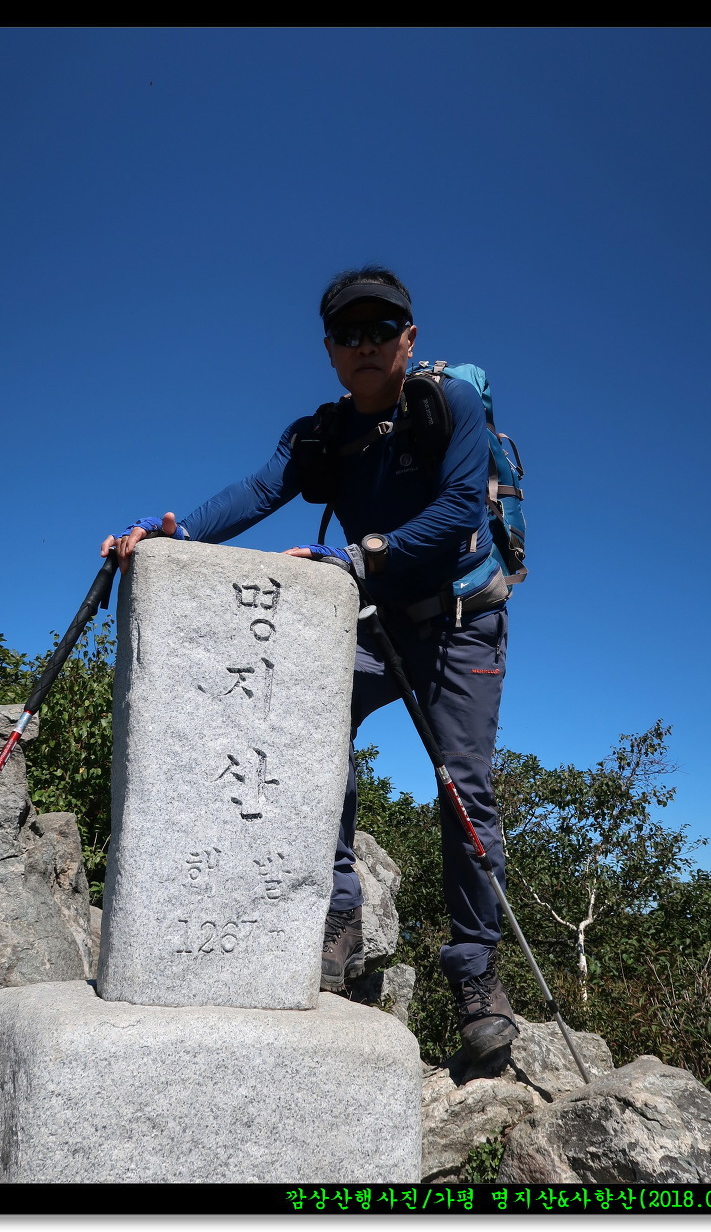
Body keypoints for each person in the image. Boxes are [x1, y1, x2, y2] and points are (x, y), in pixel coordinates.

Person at [101, 265, 519, 1064]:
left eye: (380, 328)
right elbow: (258, 491)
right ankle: (339, 912)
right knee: (306, 740)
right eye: (347, 333)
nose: (365, 344)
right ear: (328, 349)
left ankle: (475, 974)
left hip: (459, 621)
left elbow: (458, 509)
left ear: (408, 338)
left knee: (462, 785)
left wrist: (361, 556)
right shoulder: (320, 435)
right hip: (373, 621)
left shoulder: (448, 406)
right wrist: (173, 533)